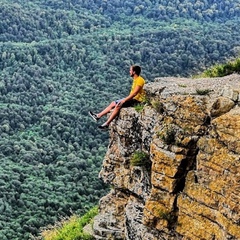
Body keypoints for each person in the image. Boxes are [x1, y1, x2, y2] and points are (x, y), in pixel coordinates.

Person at [89, 65, 145, 130]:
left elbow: (134, 93)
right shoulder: (135, 79)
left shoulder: (140, 80)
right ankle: (98, 116)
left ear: (134, 72)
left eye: (130, 70)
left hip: (136, 101)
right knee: (113, 103)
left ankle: (107, 124)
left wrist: (124, 100)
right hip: (132, 99)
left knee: (118, 105)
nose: (129, 71)